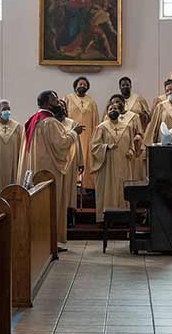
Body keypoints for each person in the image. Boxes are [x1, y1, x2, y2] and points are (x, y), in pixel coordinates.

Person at [20, 90, 84, 246]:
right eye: (55, 100)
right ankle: (50, 243)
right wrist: (74, 133)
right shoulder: (50, 122)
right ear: (48, 103)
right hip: (50, 170)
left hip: (37, 168)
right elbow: (61, 144)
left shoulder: (33, 119)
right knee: (51, 205)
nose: (58, 103)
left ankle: (41, 242)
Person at [90, 102, 139, 222]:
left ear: (120, 111)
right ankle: (106, 218)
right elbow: (94, 146)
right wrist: (106, 147)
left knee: (122, 189)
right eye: (111, 108)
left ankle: (123, 218)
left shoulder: (127, 127)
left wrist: (131, 151)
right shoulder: (101, 127)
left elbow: (131, 145)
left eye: (116, 108)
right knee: (108, 190)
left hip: (123, 164)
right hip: (107, 165)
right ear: (107, 112)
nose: (113, 110)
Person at [65, 77, 99, 190]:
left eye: (85, 84)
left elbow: (95, 120)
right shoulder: (68, 99)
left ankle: (86, 184)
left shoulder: (91, 102)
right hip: (72, 134)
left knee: (86, 157)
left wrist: (95, 136)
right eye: (80, 84)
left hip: (88, 135)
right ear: (75, 86)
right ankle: (72, 184)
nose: (82, 86)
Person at [103, 94, 145, 179]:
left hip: (129, 149)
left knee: (129, 174)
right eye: (113, 103)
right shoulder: (108, 117)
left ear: (123, 102)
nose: (116, 104)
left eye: (118, 102)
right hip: (113, 151)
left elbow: (140, 132)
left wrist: (137, 138)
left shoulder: (134, 116)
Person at [55, 99, 83, 222]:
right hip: (56, 161)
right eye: (59, 106)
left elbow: (78, 143)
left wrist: (81, 161)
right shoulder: (52, 124)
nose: (61, 108)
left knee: (69, 189)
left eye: (63, 106)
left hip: (71, 161)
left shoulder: (72, 123)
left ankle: (69, 215)